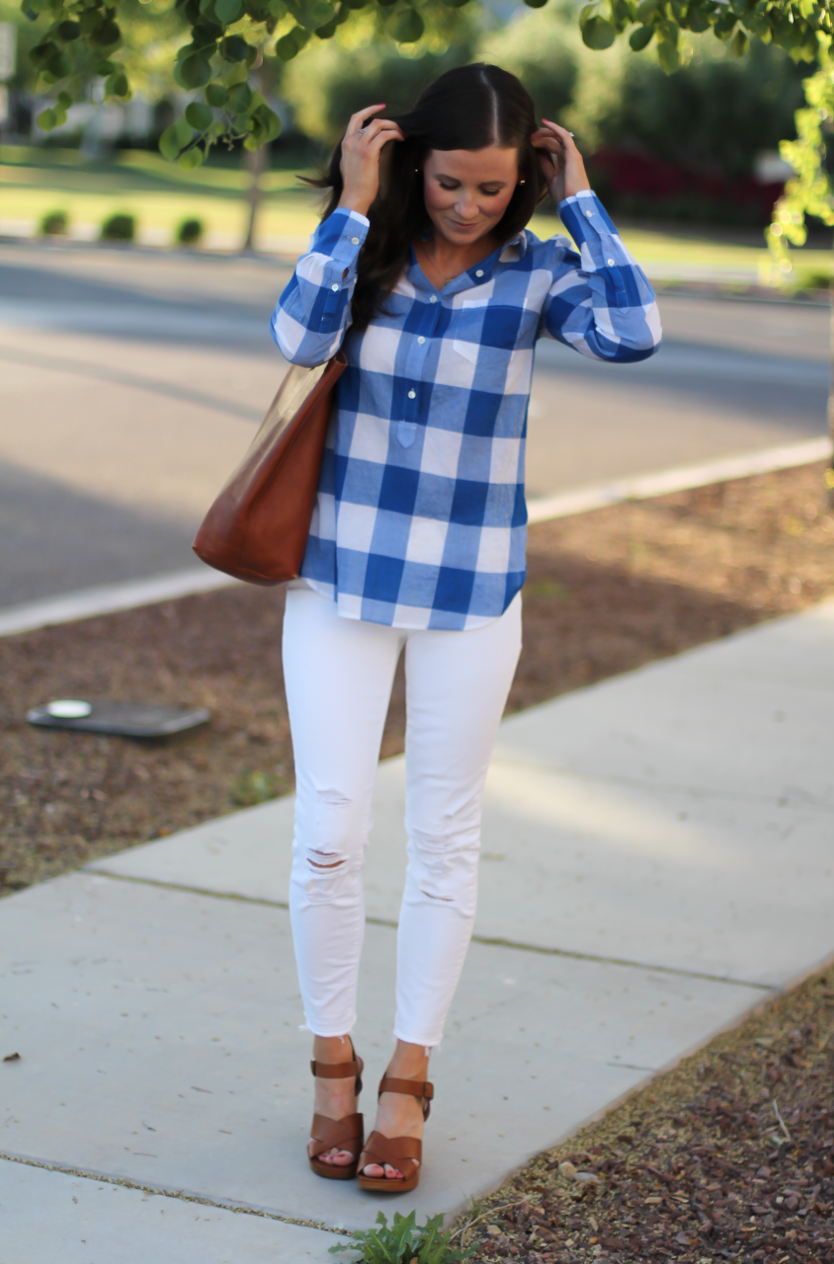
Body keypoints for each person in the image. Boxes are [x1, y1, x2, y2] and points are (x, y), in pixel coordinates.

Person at [270, 62, 661, 1194]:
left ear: (524, 177)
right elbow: (296, 339)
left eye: (495, 189)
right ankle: (332, 1063)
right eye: (450, 182)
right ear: (412, 163)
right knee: (330, 831)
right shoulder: (371, 256)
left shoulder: (539, 277)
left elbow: (635, 331)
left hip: (472, 593)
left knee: (444, 842)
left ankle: (407, 1079)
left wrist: (580, 199)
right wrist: (351, 204)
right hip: (340, 580)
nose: (468, 206)